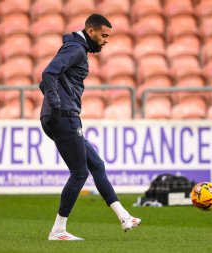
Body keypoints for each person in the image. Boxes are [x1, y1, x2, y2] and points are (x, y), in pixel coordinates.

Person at [39, 14, 141, 241]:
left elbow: (44, 82)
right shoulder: (75, 49)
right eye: (104, 35)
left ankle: (124, 216)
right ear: (91, 31)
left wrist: (52, 105)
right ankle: (58, 230)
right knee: (80, 173)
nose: (106, 40)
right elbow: (47, 73)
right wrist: (56, 105)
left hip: (60, 115)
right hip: (65, 116)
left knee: (96, 163)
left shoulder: (74, 48)